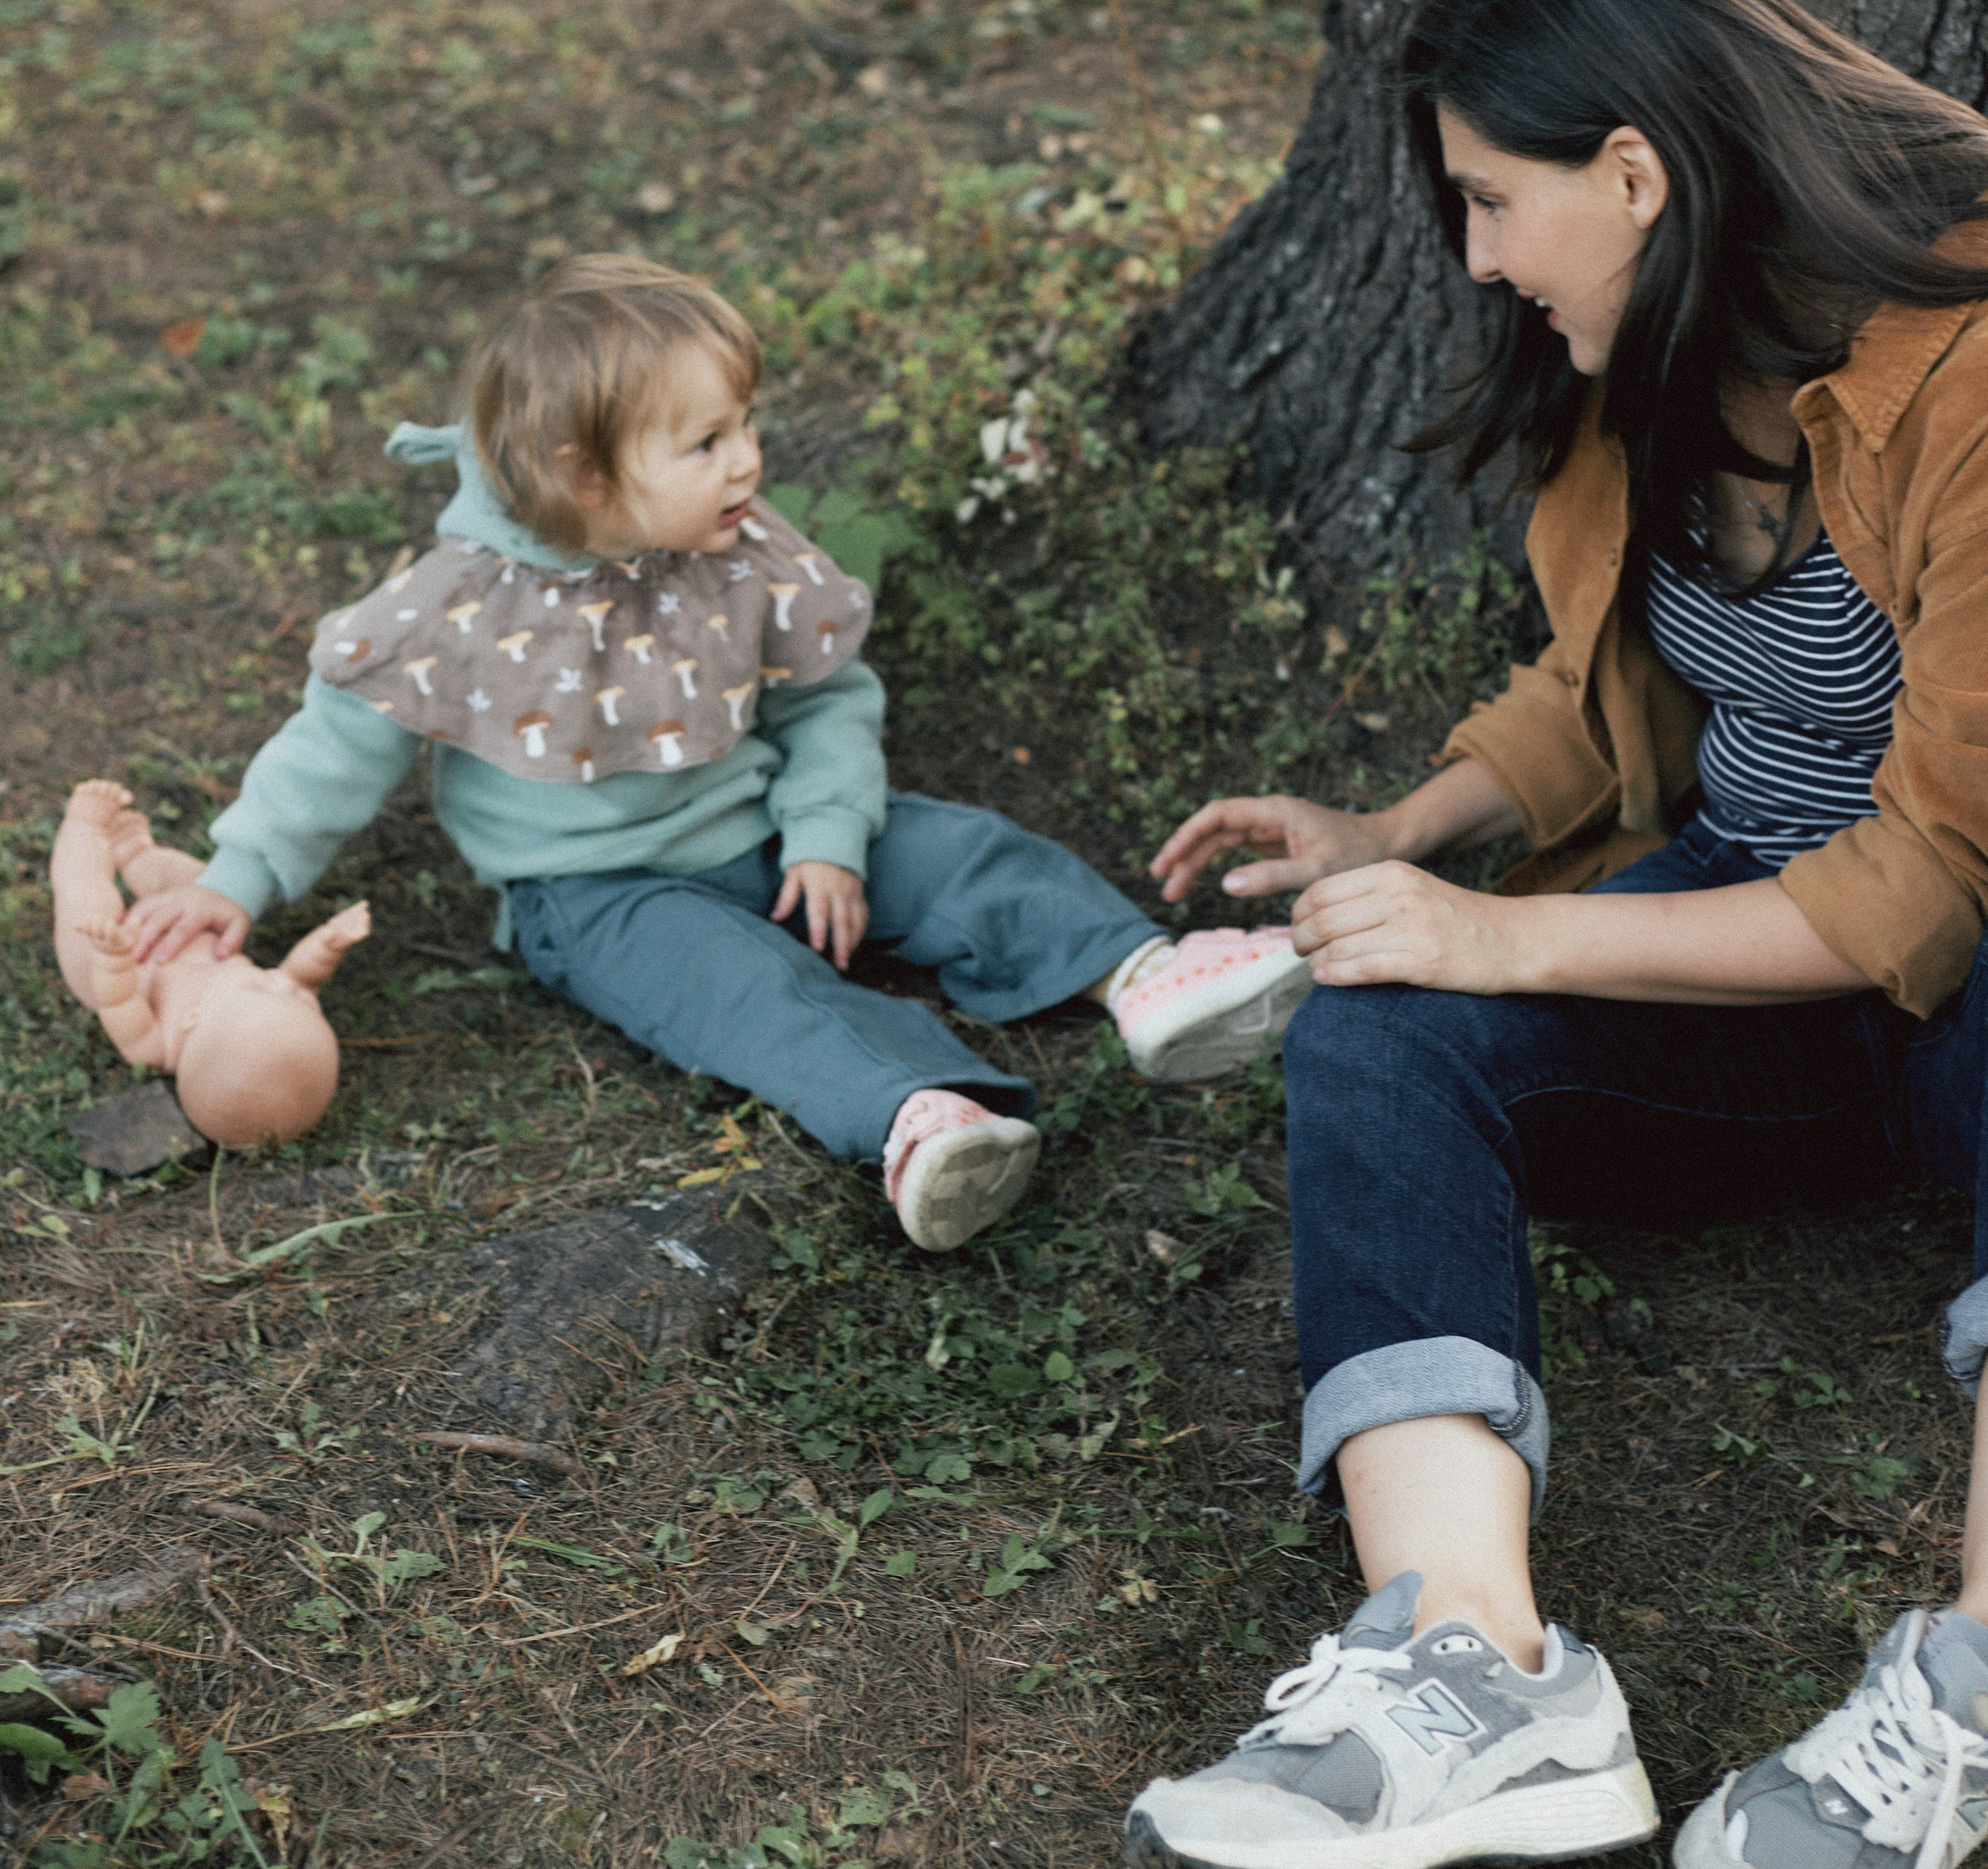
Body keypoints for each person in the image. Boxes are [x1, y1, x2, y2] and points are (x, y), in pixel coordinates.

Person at [1124, 0, 1988, 1869]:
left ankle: (1966, 1701)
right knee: (1379, 1027)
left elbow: (1926, 887)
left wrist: (1509, 939)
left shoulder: (1971, 371)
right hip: (1765, 967)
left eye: (1494, 202)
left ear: (1636, 172)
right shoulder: (1661, 342)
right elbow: (1599, 689)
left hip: (1966, 962)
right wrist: (1405, 837)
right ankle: (1469, 1665)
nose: (1482, 258)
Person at [120, 256, 1309, 1250]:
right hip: (598, 897)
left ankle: (1136, 973)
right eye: (705, 442)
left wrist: (831, 836)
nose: (746, 460)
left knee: (956, 855)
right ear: (584, 478)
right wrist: (237, 878)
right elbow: (333, 751)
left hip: (761, 823)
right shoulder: (462, 608)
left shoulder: (734, 546)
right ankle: (919, 1117)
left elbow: (827, 697)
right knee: (745, 993)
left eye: (744, 424)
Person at [51, 780, 368, 1145]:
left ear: (193, 1021)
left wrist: (113, 956)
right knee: (200, 883)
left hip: (113, 959)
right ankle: (137, 853)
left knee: (86, 900)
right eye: (303, 1004)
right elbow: (302, 975)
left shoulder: (157, 1045)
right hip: (190, 924)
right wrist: (328, 945)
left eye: (260, 989)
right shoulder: (281, 997)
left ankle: (83, 829)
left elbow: (117, 1002)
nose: (282, 982)